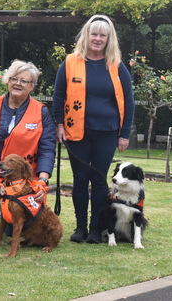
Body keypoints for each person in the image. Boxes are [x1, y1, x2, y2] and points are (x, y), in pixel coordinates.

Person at [53, 14, 134, 244]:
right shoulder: (70, 62)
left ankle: (95, 229)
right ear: (86, 36)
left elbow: (129, 100)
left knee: (99, 181)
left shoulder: (116, 66)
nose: (97, 39)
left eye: (103, 35)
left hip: (107, 132)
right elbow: (58, 95)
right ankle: (79, 227)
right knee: (80, 179)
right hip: (76, 131)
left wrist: (124, 133)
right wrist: (59, 124)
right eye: (94, 34)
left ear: (109, 39)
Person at [0, 60, 56, 243]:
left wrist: (42, 181)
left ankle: (7, 222)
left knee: (12, 232)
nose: (18, 83)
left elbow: (47, 148)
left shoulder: (41, 112)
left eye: (24, 81)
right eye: (14, 78)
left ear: (32, 86)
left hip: (22, 178)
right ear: (7, 80)